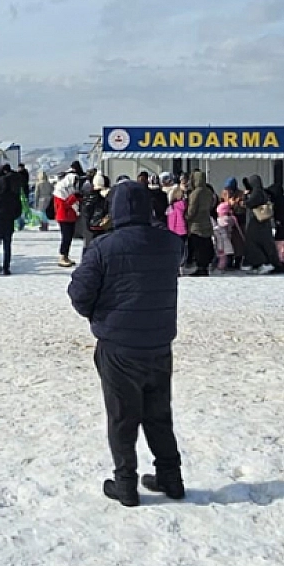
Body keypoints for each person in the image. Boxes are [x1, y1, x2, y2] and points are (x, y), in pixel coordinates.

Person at [67, 181, 186, 508]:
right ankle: (171, 478)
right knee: (159, 414)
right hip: (160, 344)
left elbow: (79, 295)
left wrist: (99, 317)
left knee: (122, 417)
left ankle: (126, 484)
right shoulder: (170, 244)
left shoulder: (103, 247)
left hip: (119, 346)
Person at [240, 176, 278, 272]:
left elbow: (247, 203)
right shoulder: (262, 192)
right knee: (263, 243)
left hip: (256, 223)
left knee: (253, 243)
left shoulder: (256, 193)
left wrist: (244, 196)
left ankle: (263, 263)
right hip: (262, 223)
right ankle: (263, 263)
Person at [0, 167, 22, 276]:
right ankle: (6, 268)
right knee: (7, 246)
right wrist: (12, 217)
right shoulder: (13, 196)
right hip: (8, 223)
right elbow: (18, 210)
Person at [182, 173, 216, 277]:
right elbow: (212, 204)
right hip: (206, 221)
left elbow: (192, 209)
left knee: (198, 246)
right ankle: (205, 267)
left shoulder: (195, 193)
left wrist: (187, 217)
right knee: (206, 245)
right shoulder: (208, 192)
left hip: (196, 224)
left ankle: (200, 267)